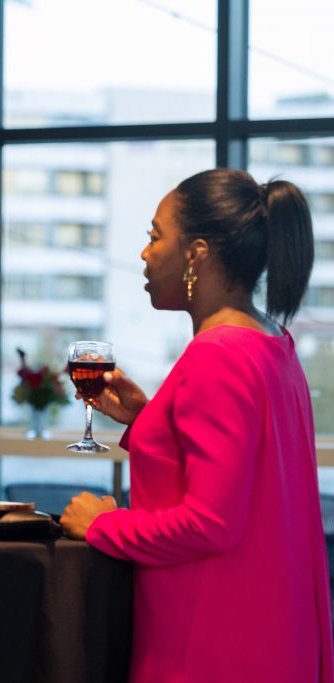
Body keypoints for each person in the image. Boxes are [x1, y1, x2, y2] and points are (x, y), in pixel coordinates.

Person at [61, 168, 333, 682]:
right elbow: (249, 481)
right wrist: (148, 419)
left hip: (209, 640)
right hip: (271, 628)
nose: (144, 254)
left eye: (154, 236)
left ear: (197, 252)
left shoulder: (217, 355)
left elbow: (210, 522)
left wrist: (102, 524)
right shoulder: (272, 342)